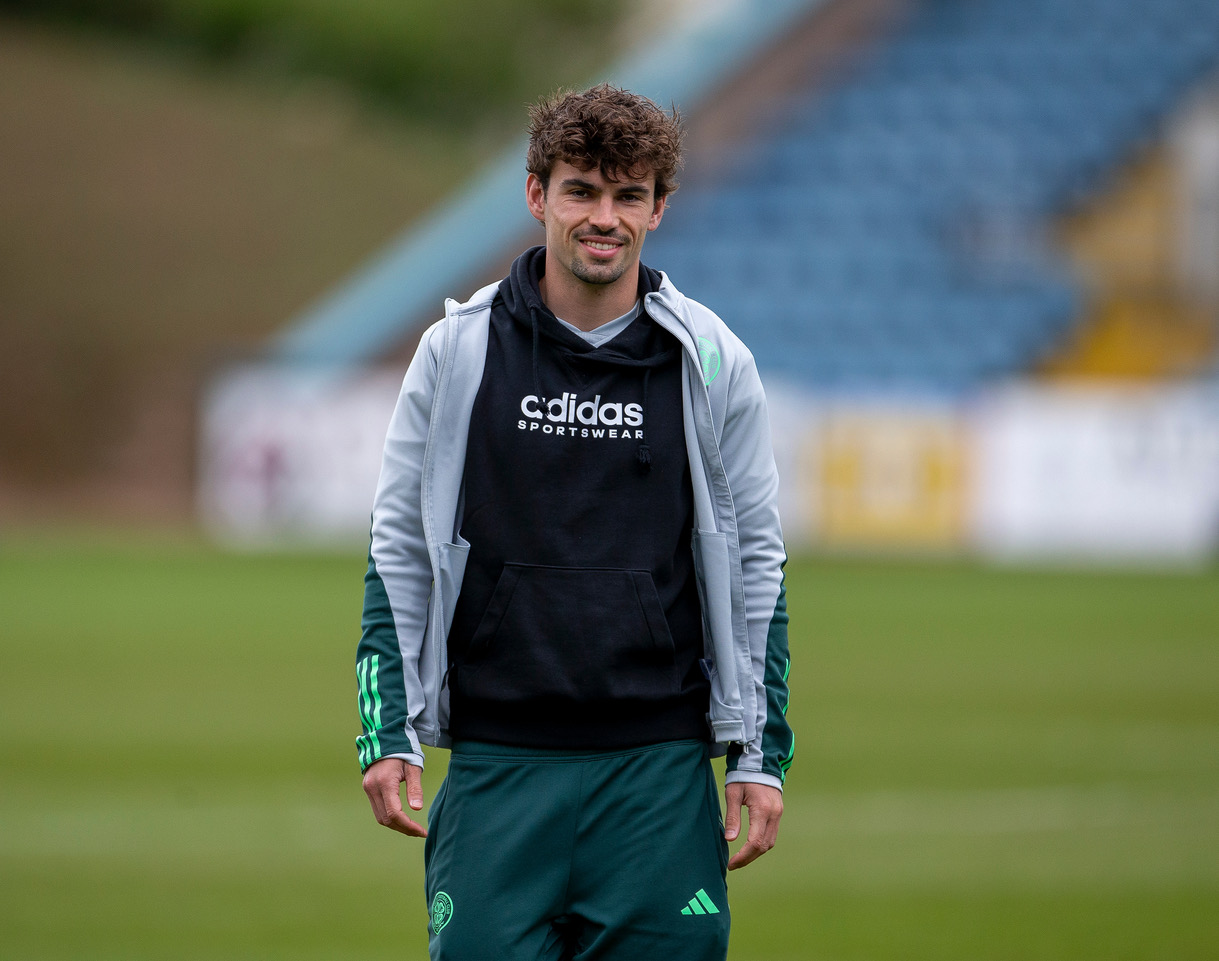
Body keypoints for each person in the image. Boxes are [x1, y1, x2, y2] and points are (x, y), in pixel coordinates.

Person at [355, 82, 793, 961]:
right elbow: (399, 545)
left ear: (658, 208)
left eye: (628, 195)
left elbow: (754, 562)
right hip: (498, 766)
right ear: (536, 194)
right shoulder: (458, 348)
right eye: (581, 191)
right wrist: (385, 728)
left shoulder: (710, 359)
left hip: (657, 774)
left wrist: (757, 753)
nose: (604, 218)